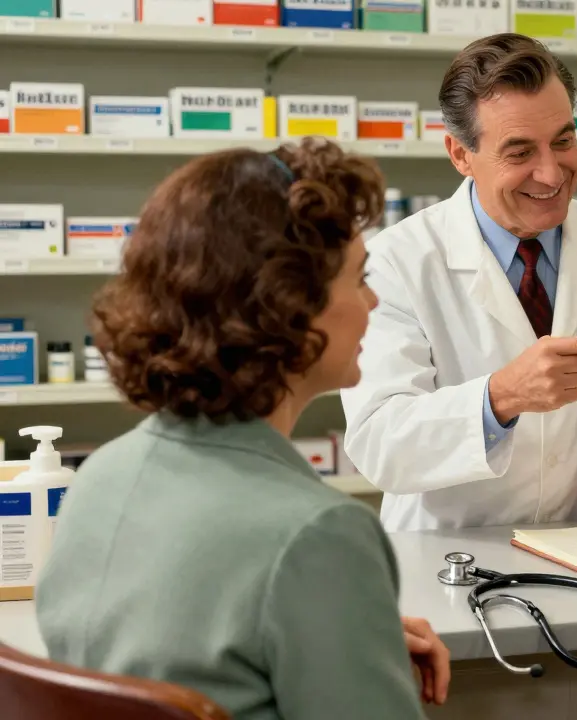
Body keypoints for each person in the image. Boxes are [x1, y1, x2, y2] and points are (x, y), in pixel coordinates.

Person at [37, 140, 449, 720]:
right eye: (359, 278)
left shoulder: (97, 480)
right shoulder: (320, 536)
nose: (374, 300)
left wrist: (345, 630)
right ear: (288, 306)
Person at [342, 33, 577, 531]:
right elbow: (380, 442)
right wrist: (499, 397)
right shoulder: (395, 263)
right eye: (520, 151)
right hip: (451, 562)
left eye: (564, 141)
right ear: (461, 155)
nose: (551, 173)